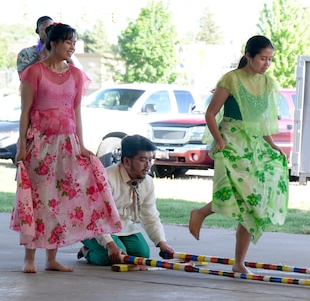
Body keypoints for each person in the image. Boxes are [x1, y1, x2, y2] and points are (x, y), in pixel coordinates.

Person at [10, 23, 122, 273]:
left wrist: (81, 145)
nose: (72, 47)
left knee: (61, 198)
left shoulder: (76, 75)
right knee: (39, 198)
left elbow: (76, 112)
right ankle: (30, 258)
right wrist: (22, 145)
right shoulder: (34, 73)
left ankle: (51, 258)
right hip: (39, 143)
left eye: (74, 42)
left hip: (68, 144)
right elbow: (25, 112)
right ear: (53, 43)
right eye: (68, 42)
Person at [188, 35, 289, 274]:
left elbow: (262, 123)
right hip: (232, 140)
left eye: (270, 59)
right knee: (247, 196)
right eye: (263, 58)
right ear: (248, 56)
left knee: (253, 202)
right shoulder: (230, 79)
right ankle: (202, 214)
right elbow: (211, 113)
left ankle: (238, 262)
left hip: (254, 143)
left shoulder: (268, 83)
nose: (267, 63)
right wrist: (220, 140)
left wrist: (273, 145)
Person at [78, 135, 175, 265]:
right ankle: (88, 251)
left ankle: (101, 248)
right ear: (127, 161)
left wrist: (161, 242)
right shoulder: (106, 178)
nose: (148, 165)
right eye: (142, 160)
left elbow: (150, 216)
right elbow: (96, 217)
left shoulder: (147, 182)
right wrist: (110, 245)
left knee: (142, 255)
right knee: (114, 257)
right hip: (92, 226)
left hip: (122, 226)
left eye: (150, 159)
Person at [16, 16, 81, 76]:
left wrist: (68, 59)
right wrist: (41, 55)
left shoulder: (63, 52)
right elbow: (23, 77)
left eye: (52, 30)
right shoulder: (26, 53)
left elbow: (78, 77)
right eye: (46, 29)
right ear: (37, 31)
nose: (49, 33)